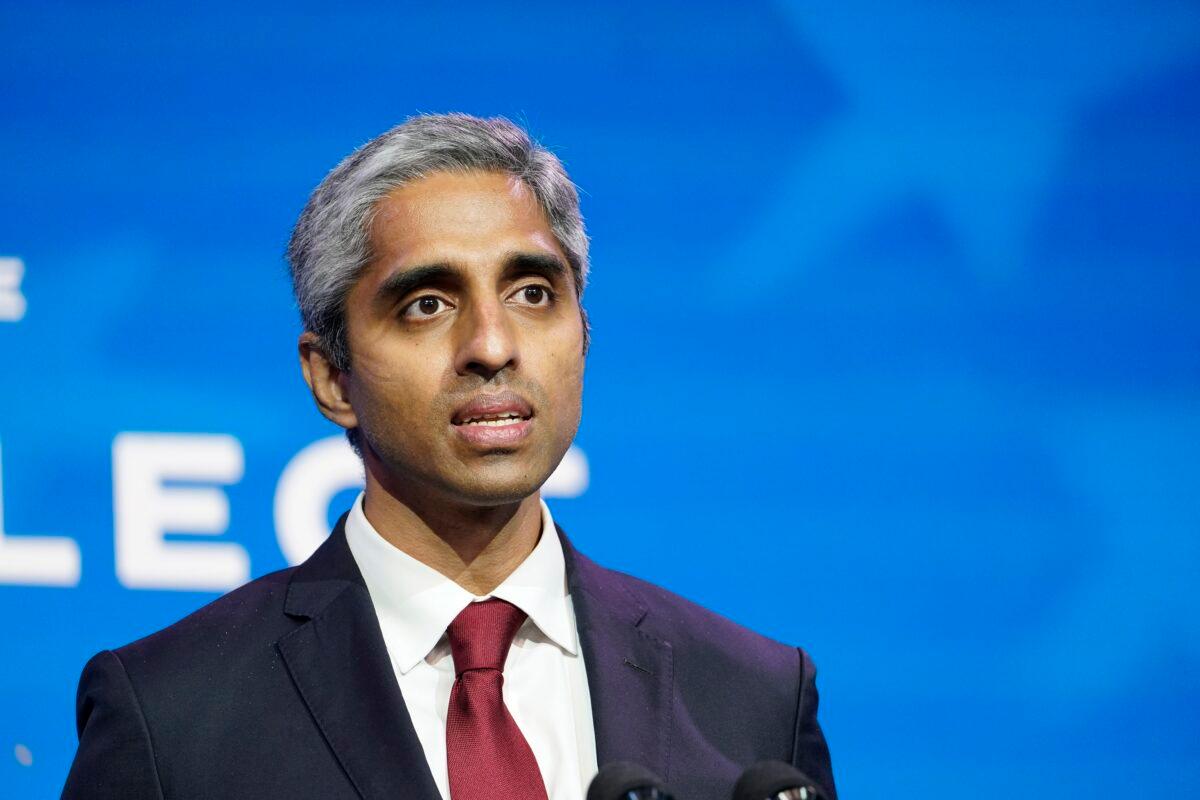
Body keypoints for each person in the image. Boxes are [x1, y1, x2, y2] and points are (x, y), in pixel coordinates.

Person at [61, 113, 837, 800]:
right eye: (427, 305)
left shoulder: (754, 698)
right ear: (332, 378)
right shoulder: (172, 715)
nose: (493, 347)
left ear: (584, 338)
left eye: (533, 292)